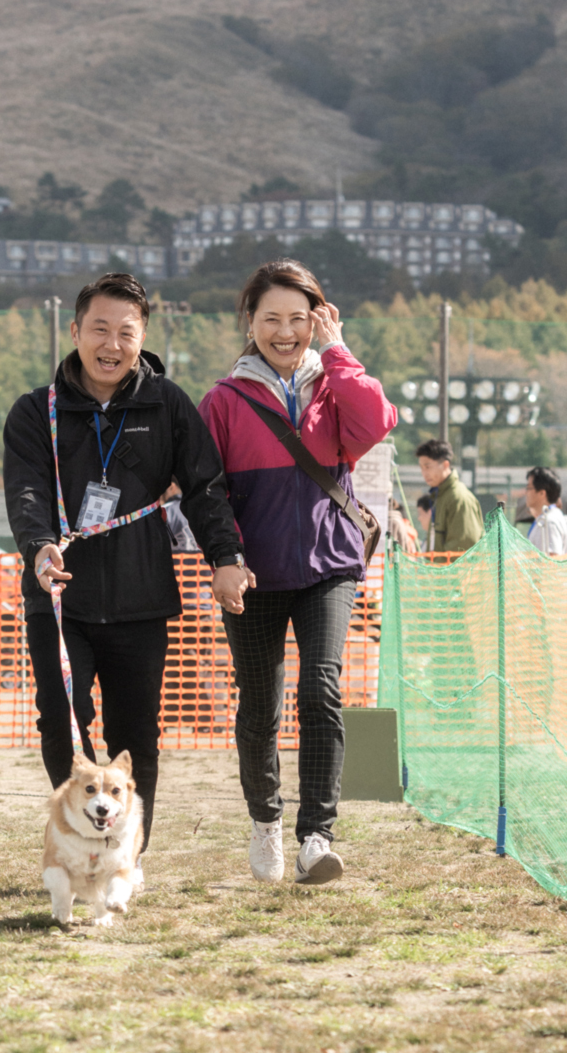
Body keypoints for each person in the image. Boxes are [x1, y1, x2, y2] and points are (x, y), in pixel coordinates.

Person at [3, 272, 248, 856]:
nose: (111, 345)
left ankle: (125, 850)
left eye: (126, 332)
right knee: (62, 719)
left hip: (142, 599)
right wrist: (39, 546)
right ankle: (82, 835)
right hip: (59, 595)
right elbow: (27, 491)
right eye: (100, 330)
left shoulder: (167, 404)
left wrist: (226, 557)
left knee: (136, 732)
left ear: (143, 337)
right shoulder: (38, 411)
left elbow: (205, 488)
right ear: (75, 331)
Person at [198, 259, 397, 886]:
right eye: (270, 319)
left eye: (298, 319)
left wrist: (338, 351)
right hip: (251, 578)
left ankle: (316, 835)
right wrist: (225, 561)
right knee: (260, 708)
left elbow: (376, 421)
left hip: (328, 568)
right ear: (250, 323)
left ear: (318, 319)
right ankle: (265, 820)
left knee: (321, 689)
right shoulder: (223, 402)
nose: (285, 332)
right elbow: (207, 493)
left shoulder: (335, 385)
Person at [415, 439, 483, 554]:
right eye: (421, 468)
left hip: (454, 571)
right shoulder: (440, 496)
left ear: (445, 465)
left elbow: (463, 547)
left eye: (428, 467)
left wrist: (436, 568)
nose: (424, 473)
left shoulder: (459, 498)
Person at [524, 466, 567, 556]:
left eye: (528, 488)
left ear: (542, 493)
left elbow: (552, 560)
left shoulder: (550, 521)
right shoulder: (547, 518)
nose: (525, 492)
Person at [161, 481, 200, 553]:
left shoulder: (164, 510)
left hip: (175, 561)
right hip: (202, 562)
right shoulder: (201, 508)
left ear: (171, 486)